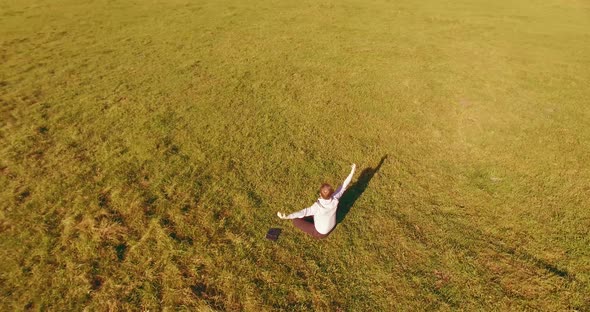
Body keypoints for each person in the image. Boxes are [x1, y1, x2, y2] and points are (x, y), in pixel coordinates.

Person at [277, 164, 356, 239]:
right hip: (332, 225)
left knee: (296, 220)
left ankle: (312, 226)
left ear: (320, 194)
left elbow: (302, 212)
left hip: (320, 233)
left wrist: (287, 216)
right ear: (332, 193)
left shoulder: (317, 207)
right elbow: (343, 185)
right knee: (308, 215)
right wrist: (352, 171)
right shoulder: (335, 198)